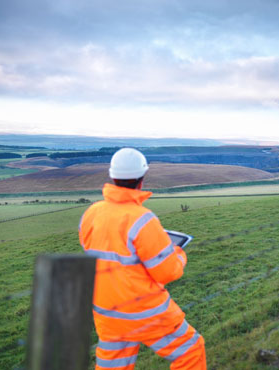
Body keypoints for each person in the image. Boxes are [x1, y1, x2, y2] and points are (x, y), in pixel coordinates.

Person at [79, 148, 206, 370]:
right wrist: (177, 253)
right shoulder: (143, 219)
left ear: (112, 177)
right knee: (191, 352)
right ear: (141, 179)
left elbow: (96, 252)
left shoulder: (92, 213)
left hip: (107, 312)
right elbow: (168, 272)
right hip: (145, 313)